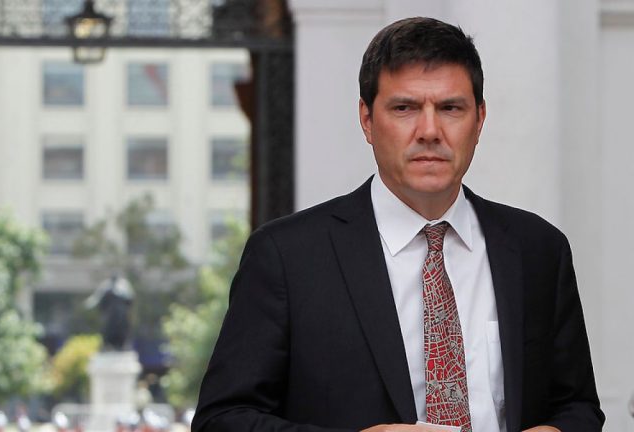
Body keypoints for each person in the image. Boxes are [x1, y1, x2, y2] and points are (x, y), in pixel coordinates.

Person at [192, 17, 604, 432]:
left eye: (450, 108)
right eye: (404, 108)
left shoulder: (538, 249)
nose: (430, 131)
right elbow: (221, 420)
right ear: (367, 119)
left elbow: (578, 407)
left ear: (479, 120)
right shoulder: (287, 257)